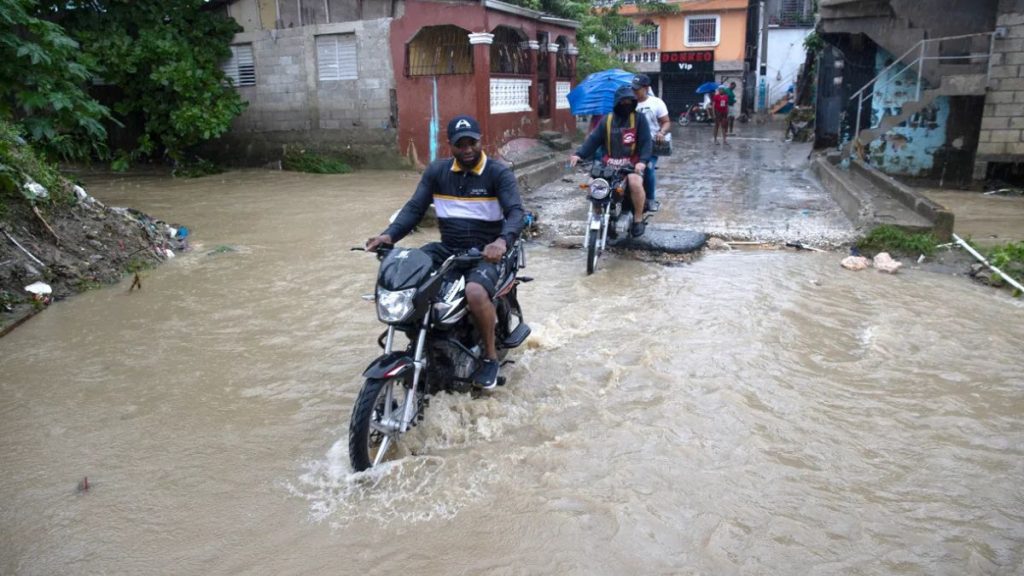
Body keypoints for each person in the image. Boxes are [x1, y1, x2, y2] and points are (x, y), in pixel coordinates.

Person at [365, 114, 525, 390]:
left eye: (472, 143)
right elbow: (414, 208)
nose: (467, 149)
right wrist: (388, 235)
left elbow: (516, 213)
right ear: (450, 145)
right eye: (460, 144)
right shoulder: (437, 172)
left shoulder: (498, 173)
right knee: (408, 271)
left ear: (480, 141)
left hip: (485, 253)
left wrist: (501, 242)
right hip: (448, 248)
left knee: (475, 292)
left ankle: (489, 357)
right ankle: (423, 341)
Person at [568, 84, 652, 237]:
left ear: (633, 102)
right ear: (617, 102)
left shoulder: (640, 119)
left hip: (631, 165)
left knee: (635, 182)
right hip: (608, 164)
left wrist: (643, 161)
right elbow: (593, 140)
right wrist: (579, 154)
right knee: (592, 184)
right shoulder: (607, 120)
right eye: (623, 102)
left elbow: (647, 142)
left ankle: (638, 219)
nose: (626, 105)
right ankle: (597, 216)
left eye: (629, 101)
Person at [632, 73, 670, 213]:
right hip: (631, 145)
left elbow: (666, 122)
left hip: (651, 145)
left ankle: (651, 199)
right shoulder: (628, 102)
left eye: (637, 89)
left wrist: (661, 132)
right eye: (633, 88)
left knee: (648, 169)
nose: (634, 91)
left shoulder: (657, 103)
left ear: (646, 88)